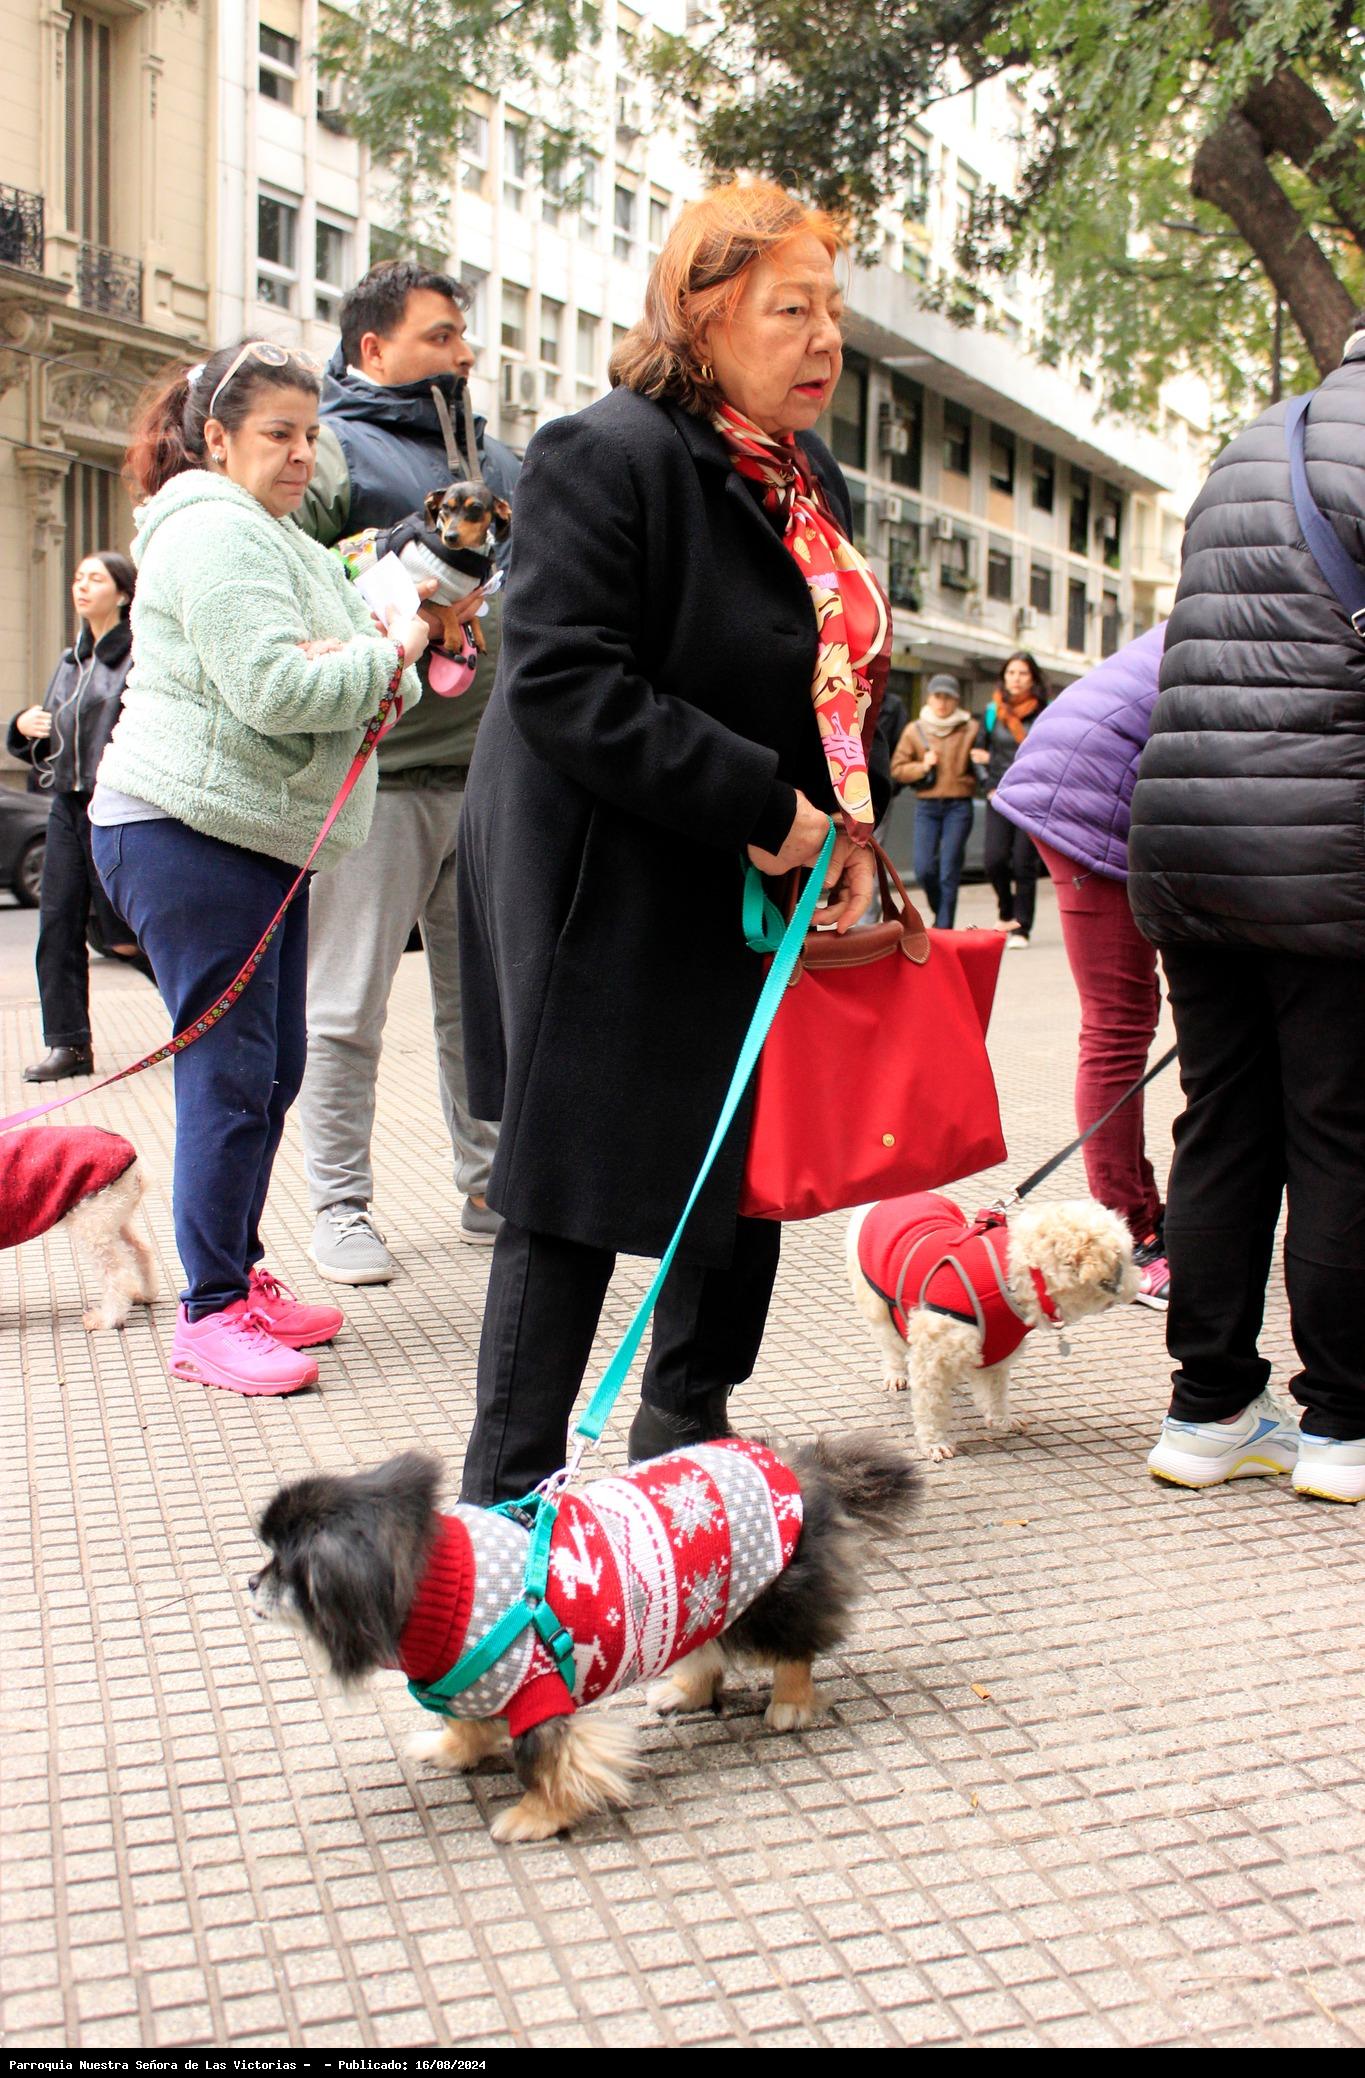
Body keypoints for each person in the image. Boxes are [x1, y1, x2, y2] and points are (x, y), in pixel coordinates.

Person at [457, 179, 889, 1503]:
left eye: (832, 311)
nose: (823, 340)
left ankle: (686, 1446)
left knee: (739, 1157)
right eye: (789, 310)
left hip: (748, 866)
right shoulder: (606, 452)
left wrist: (850, 831)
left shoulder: (800, 475)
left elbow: (823, 672)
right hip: (605, 867)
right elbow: (564, 679)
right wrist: (762, 806)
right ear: (700, 316)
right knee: (571, 1184)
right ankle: (506, 1501)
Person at [89, 341, 426, 1397]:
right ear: (218, 437)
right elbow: (281, 689)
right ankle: (210, 1313)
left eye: (310, 434)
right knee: (232, 1078)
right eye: (279, 433)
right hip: (186, 829)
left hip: (250, 837)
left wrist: (370, 662)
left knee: (269, 1072)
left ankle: (235, 1276)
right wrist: (385, 654)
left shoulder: (279, 537)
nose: (301, 454)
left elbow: (375, 684)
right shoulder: (213, 531)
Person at [1129, 319, 1365, 1505]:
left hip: (1189, 839)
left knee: (1220, 1123)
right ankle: (1343, 1423)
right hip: (1325, 847)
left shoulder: (1253, 441)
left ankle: (1206, 1409)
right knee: (1338, 1129)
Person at [291, 259, 521, 1284]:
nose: (463, 354)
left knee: (483, 1009)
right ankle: (338, 1208)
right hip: (375, 777)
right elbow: (290, 577)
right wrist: (389, 562)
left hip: (489, 774)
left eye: (463, 335)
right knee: (346, 1008)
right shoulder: (330, 451)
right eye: (439, 336)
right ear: (373, 348)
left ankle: (490, 1185)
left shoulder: (499, 459)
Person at [991, 625, 1170, 1305]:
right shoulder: (1299, 606)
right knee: (1119, 1022)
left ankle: (1147, 1215)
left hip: (1100, 778)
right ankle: (1129, 1236)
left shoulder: (1252, 593)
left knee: (1134, 1015)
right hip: (1091, 793)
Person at [8, 551, 145, 1082]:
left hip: (117, 805)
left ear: (123, 593)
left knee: (124, 934)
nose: (82, 586)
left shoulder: (138, 657)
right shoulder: (71, 662)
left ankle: (211, 1014)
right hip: (67, 803)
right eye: (78, 577)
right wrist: (23, 726)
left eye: (96, 578)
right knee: (58, 925)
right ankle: (68, 1045)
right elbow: (50, 740)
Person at [890, 671, 979, 928]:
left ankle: (943, 928)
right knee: (924, 869)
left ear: (956, 700)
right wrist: (922, 766)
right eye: (937, 696)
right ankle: (941, 912)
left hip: (959, 805)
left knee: (949, 870)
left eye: (948, 697)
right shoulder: (915, 730)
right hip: (927, 806)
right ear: (929, 698)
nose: (942, 702)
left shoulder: (970, 728)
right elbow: (897, 768)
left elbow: (983, 764)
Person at [973, 650, 1048, 946]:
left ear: (1033, 679)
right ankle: (1006, 910)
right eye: (1011, 673)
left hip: (1031, 795)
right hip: (999, 794)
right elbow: (976, 754)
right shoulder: (993, 712)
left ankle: (1021, 927)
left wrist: (994, 760)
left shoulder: (1044, 713)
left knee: (1023, 863)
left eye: (1022, 673)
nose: (1016, 679)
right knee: (994, 860)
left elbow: (1047, 754)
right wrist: (987, 784)